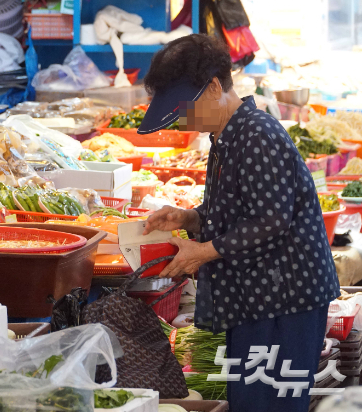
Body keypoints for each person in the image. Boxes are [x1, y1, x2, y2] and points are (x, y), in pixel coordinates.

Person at [139, 34, 340, 412]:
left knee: (270, 404)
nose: (182, 120)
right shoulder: (227, 136)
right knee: (249, 401)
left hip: (284, 300)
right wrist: (189, 217)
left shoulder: (257, 135)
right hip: (257, 297)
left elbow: (271, 218)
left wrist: (204, 252)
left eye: (183, 109)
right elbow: (237, 210)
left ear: (214, 88)